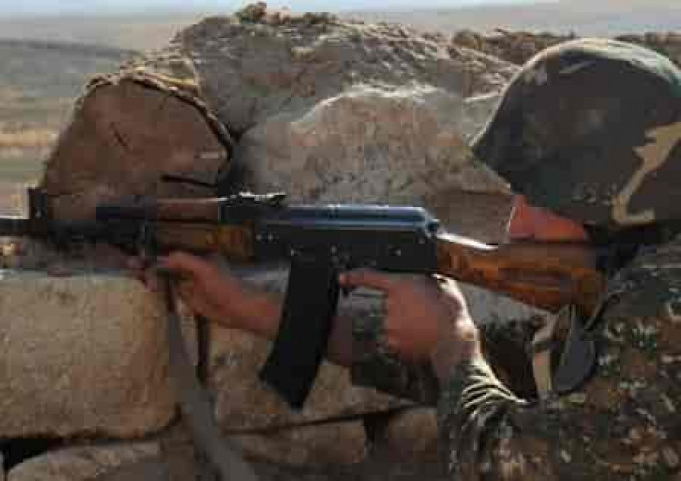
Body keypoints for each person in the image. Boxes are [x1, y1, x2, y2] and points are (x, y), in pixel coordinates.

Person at [135, 38, 681, 480]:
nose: (517, 226)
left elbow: (508, 466)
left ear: (615, 202)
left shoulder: (662, 299)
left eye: (541, 199)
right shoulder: (631, 284)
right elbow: (520, 371)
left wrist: (452, 342)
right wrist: (251, 309)